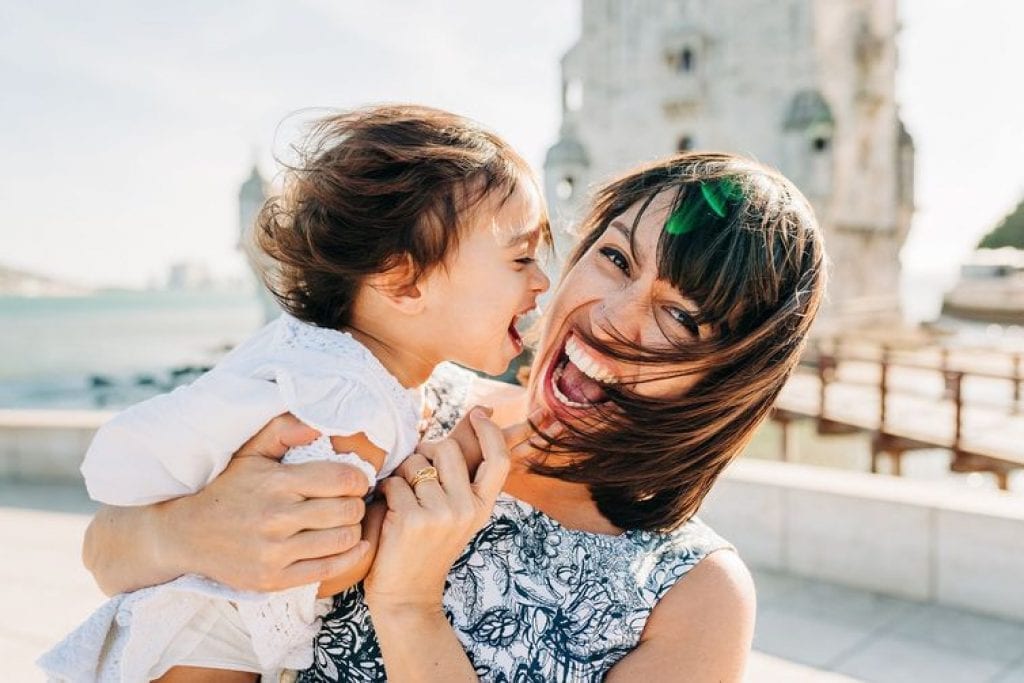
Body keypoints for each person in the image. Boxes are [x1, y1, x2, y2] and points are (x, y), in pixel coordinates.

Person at [80, 151, 826, 681]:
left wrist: (409, 606)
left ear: (731, 374)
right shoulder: (392, 397)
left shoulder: (695, 595)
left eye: (684, 318)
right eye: (617, 259)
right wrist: (184, 529)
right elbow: (108, 554)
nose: (614, 318)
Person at [39, 105, 551, 682]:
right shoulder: (346, 402)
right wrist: (445, 475)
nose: (542, 281)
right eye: (521, 258)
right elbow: (315, 564)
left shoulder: (325, 363)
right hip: (204, 648)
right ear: (404, 282)